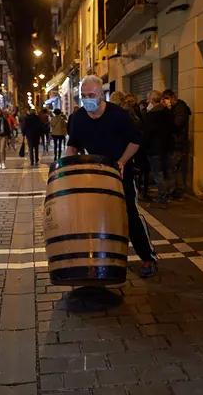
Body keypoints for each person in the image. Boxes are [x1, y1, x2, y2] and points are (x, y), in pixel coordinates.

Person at [66, 75, 158, 277]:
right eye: (83, 96)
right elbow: (73, 145)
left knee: (130, 214)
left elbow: (135, 141)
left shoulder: (118, 115)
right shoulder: (79, 118)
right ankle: (101, 258)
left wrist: (122, 161)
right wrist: (67, 169)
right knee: (97, 217)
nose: (87, 99)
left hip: (120, 174)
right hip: (94, 175)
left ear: (101, 95)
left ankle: (147, 257)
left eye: (91, 95)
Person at [143, 90, 174, 205]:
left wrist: (144, 145)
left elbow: (148, 133)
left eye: (148, 99)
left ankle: (162, 197)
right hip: (167, 146)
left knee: (158, 173)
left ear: (152, 100)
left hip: (154, 148)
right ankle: (169, 193)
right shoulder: (167, 112)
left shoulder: (151, 115)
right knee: (167, 172)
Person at [163, 89, 192, 199]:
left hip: (177, 142)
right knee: (176, 168)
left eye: (166, 98)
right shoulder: (178, 108)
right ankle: (177, 190)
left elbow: (176, 124)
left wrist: (168, 111)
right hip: (176, 142)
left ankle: (174, 191)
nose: (165, 101)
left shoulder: (180, 108)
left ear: (172, 97)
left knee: (173, 167)